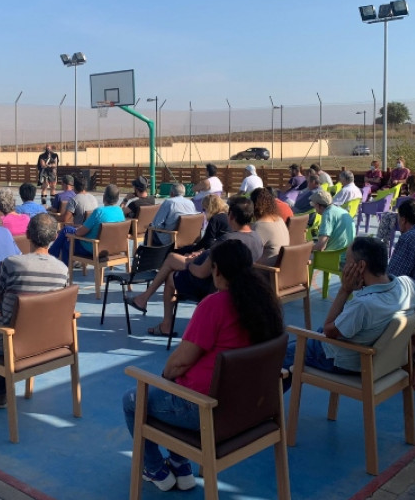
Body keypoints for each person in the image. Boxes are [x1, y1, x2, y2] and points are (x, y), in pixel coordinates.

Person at [122, 239, 284, 491]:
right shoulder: (265, 304)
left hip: (206, 410)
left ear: (216, 270)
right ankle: (179, 463)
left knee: (133, 400)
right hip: (249, 409)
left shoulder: (216, 305)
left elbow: (178, 365)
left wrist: (166, 379)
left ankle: (154, 469)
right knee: (175, 384)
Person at [283, 237, 415, 393]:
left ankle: (267, 410)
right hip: (382, 361)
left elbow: (328, 331)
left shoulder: (364, 305)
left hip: (343, 359)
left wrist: (344, 290)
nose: (344, 265)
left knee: (282, 356)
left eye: (347, 260)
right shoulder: (408, 285)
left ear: (360, 266)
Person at [0, 214, 70, 398]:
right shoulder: (63, 270)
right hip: (48, 344)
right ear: (55, 237)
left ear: (27, 235)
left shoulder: (11, 264)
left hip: (10, 344)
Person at [126, 197, 266, 338]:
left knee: (171, 272)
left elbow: (201, 273)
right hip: (236, 286)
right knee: (173, 262)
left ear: (231, 216)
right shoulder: (257, 239)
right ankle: (144, 300)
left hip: (210, 284)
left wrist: (189, 264)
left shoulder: (227, 241)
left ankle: (162, 321)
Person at [66, 184, 125, 263]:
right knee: (67, 236)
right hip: (114, 248)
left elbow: (80, 232)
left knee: (66, 237)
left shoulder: (99, 212)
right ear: (117, 198)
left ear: (104, 197)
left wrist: (74, 232)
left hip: (94, 249)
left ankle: (57, 263)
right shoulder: (120, 211)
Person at [49, 174, 99, 259]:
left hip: (80, 234)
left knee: (65, 232)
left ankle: (51, 254)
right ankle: (54, 256)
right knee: (65, 237)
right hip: (91, 233)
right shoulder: (93, 198)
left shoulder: (75, 199)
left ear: (74, 187)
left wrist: (52, 217)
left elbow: (64, 219)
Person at [249, 188, 290, 266]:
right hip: (280, 270)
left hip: (265, 271)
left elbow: (249, 252)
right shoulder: (279, 220)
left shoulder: (260, 226)